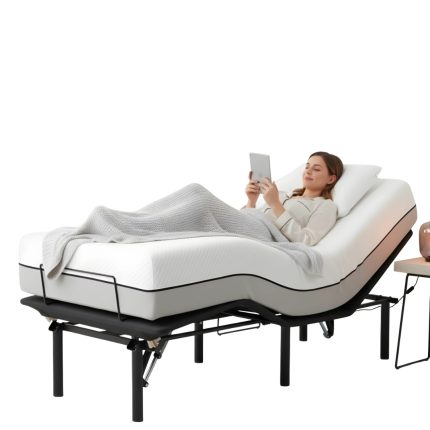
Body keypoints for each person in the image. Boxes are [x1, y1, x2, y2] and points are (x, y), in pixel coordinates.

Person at [244, 151, 343, 246]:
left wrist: (275, 204)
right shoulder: (281, 194)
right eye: (307, 167)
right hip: (250, 229)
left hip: (267, 239)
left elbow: (307, 239)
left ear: (331, 179)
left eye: (316, 169)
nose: (308, 171)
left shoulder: (325, 205)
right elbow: (250, 220)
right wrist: (251, 201)